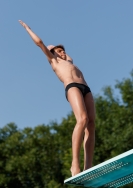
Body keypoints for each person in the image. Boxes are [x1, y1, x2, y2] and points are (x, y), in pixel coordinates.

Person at [19, 20, 95, 176]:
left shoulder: (69, 61)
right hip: (72, 87)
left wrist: (60, 50)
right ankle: (75, 164)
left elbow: (67, 55)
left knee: (91, 124)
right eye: (59, 51)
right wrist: (28, 28)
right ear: (52, 53)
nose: (62, 52)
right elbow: (41, 43)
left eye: (63, 51)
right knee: (82, 119)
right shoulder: (54, 61)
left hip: (86, 89)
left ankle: (88, 166)